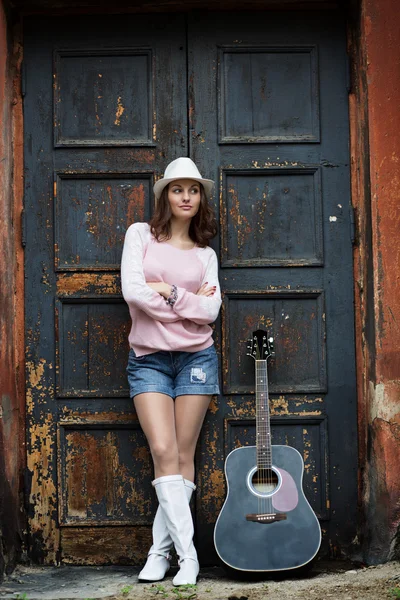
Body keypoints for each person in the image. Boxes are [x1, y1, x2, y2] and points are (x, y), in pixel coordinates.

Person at [120, 157, 222, 586]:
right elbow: (132, 291)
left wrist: (169, 292)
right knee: (163, 450)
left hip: (197, 360)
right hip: (148, 360)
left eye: (193, 190)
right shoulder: (140, 235)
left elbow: (212, 310)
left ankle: (160, 555)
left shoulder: (205, 254)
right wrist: (186, 309)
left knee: (184, 457)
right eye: (178, 189)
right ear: (165, 195)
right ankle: (189, 557)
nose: (186, 196)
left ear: (201, 199)